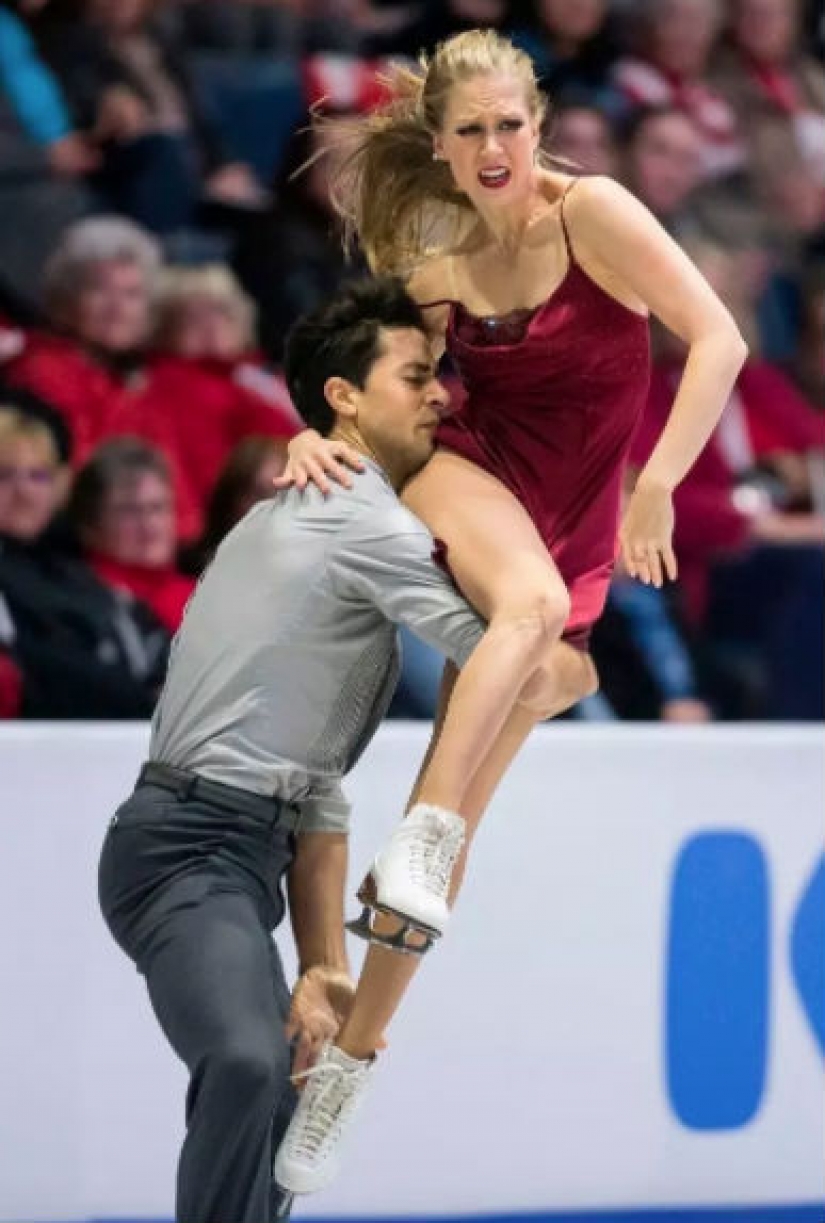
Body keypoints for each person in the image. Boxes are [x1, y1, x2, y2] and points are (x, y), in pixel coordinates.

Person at [277, 25, 746, 1189]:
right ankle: (423, 832)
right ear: (440, 143)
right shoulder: (435, 257)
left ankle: (349, 1059)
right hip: (471, 467)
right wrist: (312, 432)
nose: (495, 148)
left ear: (539, 127)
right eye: (471, 130)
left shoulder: (596, 214)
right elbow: (370, 377)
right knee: (525, 624)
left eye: (511, 125)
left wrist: (656, 485)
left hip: (580, 515)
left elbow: (719, 339)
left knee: (521, 711)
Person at [98, 276, 585, 1222]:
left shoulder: (322, 499)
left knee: (287, 1082)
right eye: (416, 376)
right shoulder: (362, 521)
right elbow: (521, 667)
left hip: (237, 844)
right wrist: (579, 664)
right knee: (248, 1062)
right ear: (343, 397)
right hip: (186, 847)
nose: (442, 394)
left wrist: (321, 961)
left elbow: (314, 789)